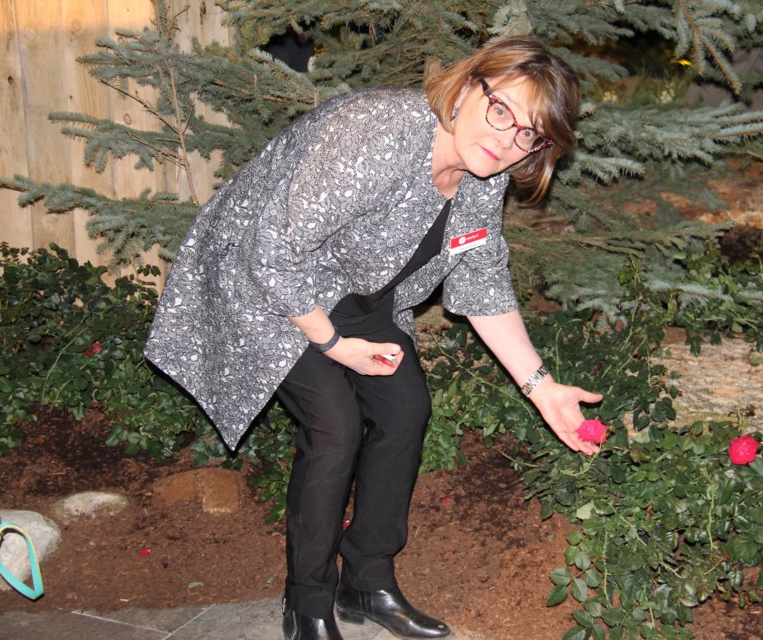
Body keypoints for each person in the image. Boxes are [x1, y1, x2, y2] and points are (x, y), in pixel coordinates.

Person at [144, 35, 603, 640]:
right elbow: (273, 250)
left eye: (529, 134)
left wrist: (544, 390)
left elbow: (482, 281)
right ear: (468, 89)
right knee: (332, 422)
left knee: (406, 406)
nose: (507, 139)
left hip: (354, 288)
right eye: (502, 111)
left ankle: (368, 578)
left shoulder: (482, 173)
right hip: (262, 280)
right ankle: (307, 602)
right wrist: (334, 345)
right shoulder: (379, 133)